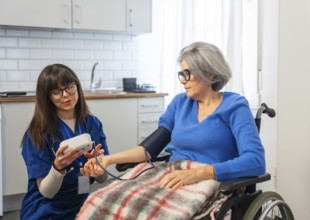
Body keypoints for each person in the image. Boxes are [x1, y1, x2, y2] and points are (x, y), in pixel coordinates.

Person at [79, 41, 265, 218]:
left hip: (214, 182)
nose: (183, 80)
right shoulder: (179, 103)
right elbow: (148, 148)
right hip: (173, 175)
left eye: (187, 73)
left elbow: (255, 161)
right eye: (181, 74)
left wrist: (200, 173)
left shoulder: (235, 106)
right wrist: (108, 159)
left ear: (210, 74)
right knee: (103, 199)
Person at [20, 64, 109, 219]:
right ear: (46, 97)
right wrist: (58, 167)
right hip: (46, 208)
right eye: (56, 91)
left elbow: (102, 179)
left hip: (81, 201)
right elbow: (47, 192)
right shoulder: (37, 133)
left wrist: (99, 167)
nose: (66, 95)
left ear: (77, 87)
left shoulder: (92, 123)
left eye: (69, 87)